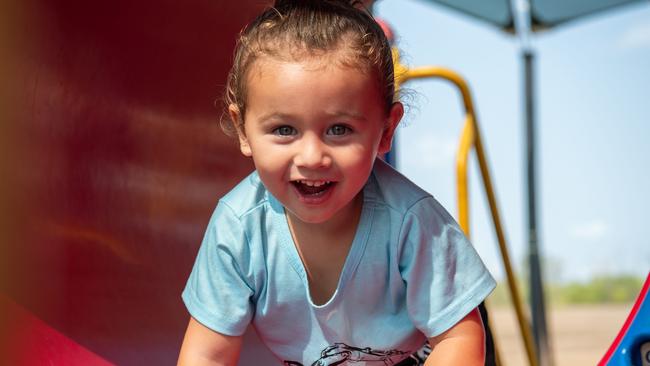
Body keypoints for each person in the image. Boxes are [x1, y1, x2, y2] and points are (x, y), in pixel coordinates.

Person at [178, 1, 496, 365]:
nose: (312, 156)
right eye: (284, 129)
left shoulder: (413, 222)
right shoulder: (238, 228)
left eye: (339, 129)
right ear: (243, 130)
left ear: (386, 130)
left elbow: (458, 337)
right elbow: (207, 355)